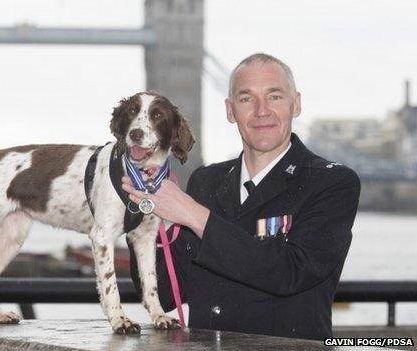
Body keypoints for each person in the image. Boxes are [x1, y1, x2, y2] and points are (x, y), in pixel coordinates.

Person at [122, 53, 361, 341]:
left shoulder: (331, 182)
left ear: (296, 104)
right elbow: (164, 293)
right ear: (230, 110)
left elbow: (290, 273)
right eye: (247, 99)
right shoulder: (206, 181)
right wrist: (139, 213)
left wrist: (193, 215)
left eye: (274, 96)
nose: (262, 111)